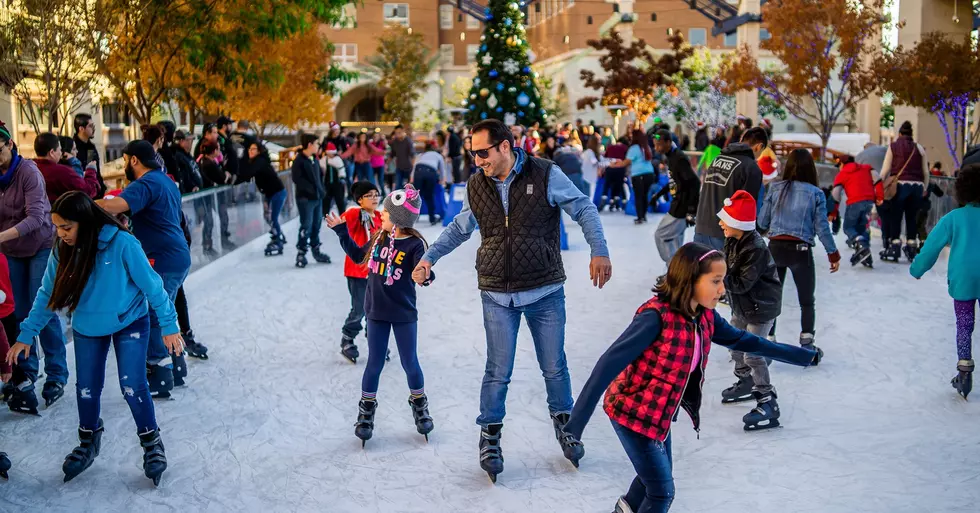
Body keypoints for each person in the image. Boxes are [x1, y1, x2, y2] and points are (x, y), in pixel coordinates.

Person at [412, 119, 612, 481]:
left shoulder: (544, 173)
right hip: (496, 292)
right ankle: (490, 435)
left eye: (482, 152)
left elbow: (583, 208)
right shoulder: (477, 184)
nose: (477, 161)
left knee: (554, 366)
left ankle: (566, 425)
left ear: (505, 146)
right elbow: (460, 227)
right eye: (473, 153)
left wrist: (598, 249)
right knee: (497, 370)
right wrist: (429, 257)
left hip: (544, 289)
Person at [563, 243, 821, 513]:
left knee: (652, 476)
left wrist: (799, 355)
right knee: (662, 492)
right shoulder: (655, 318)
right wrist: (574, 426)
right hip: (631, 414)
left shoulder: (705, 316)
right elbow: (606, 366)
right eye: (716, 281)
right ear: (690, 278)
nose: (722, 290)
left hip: (659, 414)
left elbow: (746, 340)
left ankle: (625, 508)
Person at [5, 191, 179, 485]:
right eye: (57, 227)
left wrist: (169, 324)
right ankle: (88, 440)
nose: (61, 234)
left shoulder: (122, 243)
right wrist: (26, 335)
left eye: (67, 227)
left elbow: (152, 286)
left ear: (85, 222)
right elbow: (47, 294)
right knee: (86, 388)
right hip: (88, 326)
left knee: (132, 386)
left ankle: (152, 443)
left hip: (129, 321)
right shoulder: (62, 250)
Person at [325, 185, 436, 446]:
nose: (381, 215)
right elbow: (357, 256)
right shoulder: (378, 237)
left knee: (410, 362)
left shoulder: (414, 244)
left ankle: (420, 407)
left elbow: (425, 271)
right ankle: (366, 413)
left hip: (403, 313)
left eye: (385, 212)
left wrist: (425, 275)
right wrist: (341, 231)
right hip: (375, 311)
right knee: (374, 363)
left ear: (398, 219)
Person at [97, 140, 192, 400]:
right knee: (165, 308)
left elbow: (115, 206)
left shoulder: (146, 183)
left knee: (153, 311)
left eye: (126, 160)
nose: (125, 165)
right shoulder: (164, 181)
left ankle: (160, 369)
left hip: (162, 257)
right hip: (177, 254)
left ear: (134, 160)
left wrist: (83, 205)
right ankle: (176, 366)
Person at [0, 121, 69, 413]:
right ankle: (26, 371)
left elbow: (39, 216)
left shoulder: (28, 172)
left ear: (10, 145)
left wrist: (2, 235)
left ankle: (56, 375)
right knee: (16, 314)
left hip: (40, 246)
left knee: (42, 309)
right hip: (11, 251)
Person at [716, 190, 794, 432]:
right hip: (743, 304)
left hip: (762, 307)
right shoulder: (733, 240)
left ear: (738, 223)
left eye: (725, 220)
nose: (720, 223)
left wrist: (716, 279)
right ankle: (746, 380)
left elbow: (740, 282)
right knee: (734, 344)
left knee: (753, 354)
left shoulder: (756, 248)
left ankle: (767, 400)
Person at [758, 149, 840, 350]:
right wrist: (833, 253)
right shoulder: (815, 193)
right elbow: (822, 227)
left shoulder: (775, 188)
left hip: (775, 249)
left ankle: (769, 338)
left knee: (772, 297)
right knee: (806, 300)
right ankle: (806, 342)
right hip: (800, 251)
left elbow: (762, 221)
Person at [910, 164, 980, 400]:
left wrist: (917, 268)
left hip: (963, 278)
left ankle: (964, 368)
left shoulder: (953, 218)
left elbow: (932, 247)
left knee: (964, 323)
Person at [337, 182, 383, 363]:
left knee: (377, 308)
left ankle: (375, 340)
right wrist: (353, 214)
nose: (374, 198)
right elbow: (343, 220)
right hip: (357, 271)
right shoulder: (355, 214)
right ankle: (347, 338)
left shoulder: (381, 216)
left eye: (376, 194)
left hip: (377, 271)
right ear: (359, 200)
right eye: (369, 195)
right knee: (359, 309)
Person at [694, 132, 764, 250]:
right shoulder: (750, 167)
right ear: (759, 146)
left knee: (703, 268)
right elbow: (749, 206)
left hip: (701, 228)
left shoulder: (717, 159)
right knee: (724, 268)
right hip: (725, 233)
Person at [879, 121, 930, 262]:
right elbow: (926, 172)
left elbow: (885, 170)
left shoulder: (893, 146)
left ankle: (895, 245)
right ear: (911, 134)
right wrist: (924, 188)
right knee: (912, 217)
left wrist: (879, 185)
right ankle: (911, 246)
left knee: (896, 215)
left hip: (900, 186)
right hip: (917, 187)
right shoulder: (918, 147)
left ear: (900, 134)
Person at [651, 129, 699, 262]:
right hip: (679, 204)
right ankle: (676, 275)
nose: (656, 148)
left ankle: (673, 272)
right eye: (655, 145)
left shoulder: (679, 158)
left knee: (661, 235)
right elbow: (675, 181)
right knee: (675, 241)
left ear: (668, 142)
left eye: (659, 144)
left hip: (681, 207)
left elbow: (694, 183)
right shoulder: (671, 157)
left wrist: (691, 211)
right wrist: (658, 194)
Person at [831, 155, 883, 267]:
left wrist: (833, 211)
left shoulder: (842, 173)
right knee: (862, 227)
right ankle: (866, 253)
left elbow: (835, 194)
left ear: (842, 164)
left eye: (839, 165)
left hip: (854, 202)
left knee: (848, 227)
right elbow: (878, 179)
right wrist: (879, 196)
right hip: (869, 202)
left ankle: (860, 244)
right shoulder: (867, 168)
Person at [291, 134, 330, 268]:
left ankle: (316, 249)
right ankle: (301, 252)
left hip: (317, 198)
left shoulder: (313, 159)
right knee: (306, 225)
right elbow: (298, 180)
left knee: (316, 224)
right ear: (309, 144)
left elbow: (318, 178)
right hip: (306, 199)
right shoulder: (299, 161)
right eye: (316, 144)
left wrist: (321, 190)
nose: (318, 146)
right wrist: (313, 191)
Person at [33, 132, 100, 204]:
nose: (60, 153)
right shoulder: (60, 172)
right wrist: (91, 170)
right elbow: (86, 191)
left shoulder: (27, 168)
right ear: (52, 152)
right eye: (59, 150)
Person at [244, 142, 287, 256]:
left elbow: (249, 173)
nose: (250, 151)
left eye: (253, 149)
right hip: (270, 193)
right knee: (268, 216)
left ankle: (278, 239)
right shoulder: (255, 162)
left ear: (258, 151)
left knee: (272, 217)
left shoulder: (259, 161)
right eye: (249, 149)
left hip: (277, 192)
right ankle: (278, 235)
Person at [411, 140, 447, 226]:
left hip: (418, 171)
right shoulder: (438, 155)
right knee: (429, 196)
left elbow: (415, 166)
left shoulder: (421, 155)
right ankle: (432, 218)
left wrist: (412, 177)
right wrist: (443, 179)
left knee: (416, 196)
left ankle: (414, 217)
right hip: (430, 172)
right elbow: (442, 169)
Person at [73, 113, 106, 198]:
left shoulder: (90, 147)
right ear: (81, 128)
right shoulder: (73, 147)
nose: (94, 129)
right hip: (82, 195)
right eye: (90, 126)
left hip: (96, 193)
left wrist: (101, 188)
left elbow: (93, 168)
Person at [602, 136, 630, 211]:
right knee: (619, 186)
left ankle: (604, 199)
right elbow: (627, 160)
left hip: (610, 169)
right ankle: (620, 203)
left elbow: (606, 157)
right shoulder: (625, 148)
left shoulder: (610, 147)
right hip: (620, 169)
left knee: (607, 185)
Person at [320, 142, 347, 216]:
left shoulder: (338, 159)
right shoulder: (324, 159)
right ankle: (324, 214)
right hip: (327, 183)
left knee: (340, 200)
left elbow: (342, 170)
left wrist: (342, 178)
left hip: (337, 183)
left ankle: (342, 214)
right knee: (326, 200)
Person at [171, 130, 203, 195]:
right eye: (188, 140)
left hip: (196, 194)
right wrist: (192, 186)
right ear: (181, 141)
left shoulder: (187, 155)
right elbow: (183, 175)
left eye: (191, 140)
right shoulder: (179, 156)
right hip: (189, 196)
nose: (191, 142)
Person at [390, 124, 415, 190]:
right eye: (396, 133)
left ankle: (409, 200)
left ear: (403, 131)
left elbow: (413, 156)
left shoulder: (408, 141)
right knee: (398, 187)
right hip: (399, 168)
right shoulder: (395, 141)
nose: (397, 135)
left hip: (409, 168)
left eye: (399, 132)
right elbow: (392, 154)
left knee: (410, 187)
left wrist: (413, 169)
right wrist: (387, 164)